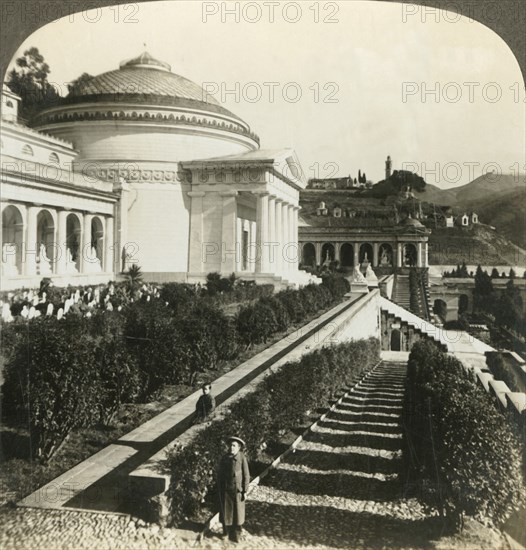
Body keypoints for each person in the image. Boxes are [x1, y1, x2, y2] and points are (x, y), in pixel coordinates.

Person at [217, 436, 250, 543]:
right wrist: (219, 487)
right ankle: (225, 532)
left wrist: (245, 490)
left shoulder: (242, 458)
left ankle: (237, 533)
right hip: (226, 490)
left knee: (238, 513)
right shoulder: (225, 458)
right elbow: (220, 474)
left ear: (239, 447)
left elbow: (246, 475)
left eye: (234, 445)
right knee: (226, 512)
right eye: (230, 445)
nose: (231, 448)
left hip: (237, 490)